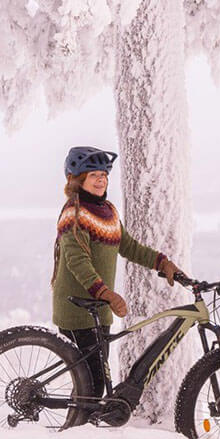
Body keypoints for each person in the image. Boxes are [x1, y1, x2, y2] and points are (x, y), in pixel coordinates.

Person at [51, 146, 180, 397]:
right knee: (92, 387)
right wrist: (107, 294)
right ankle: (77, 433)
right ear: (78, 180)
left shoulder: (107, 211)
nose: (101, 180)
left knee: (94, 383)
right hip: (77, 309)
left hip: (98, 308)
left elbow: (128, 246)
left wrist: (161, 262)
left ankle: (83, 427)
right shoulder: (74, 213)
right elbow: (77, 260)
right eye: (93, 176)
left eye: (104, 175)